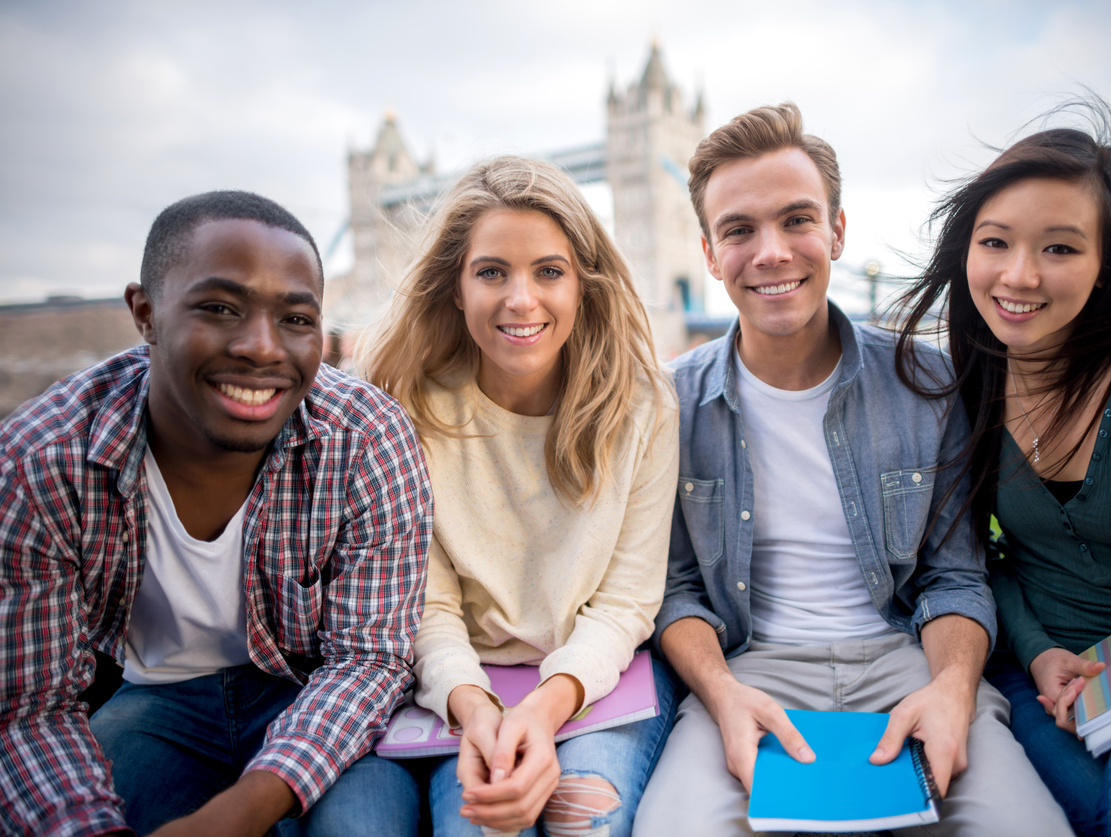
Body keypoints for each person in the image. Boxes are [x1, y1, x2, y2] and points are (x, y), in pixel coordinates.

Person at [632, 103, 1070, 836]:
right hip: (746, 669)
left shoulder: (929, 383)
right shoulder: (668, 403)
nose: (771, 252)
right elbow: (674, 588)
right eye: (739, 230)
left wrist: (956, 688)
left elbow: (955, 575)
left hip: (909, 657)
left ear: (837, 230)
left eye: (797, 220)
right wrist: (721, 693)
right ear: (709, 254)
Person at [0, 191, 432, 837]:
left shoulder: (367, 436)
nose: (261, 347)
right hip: (155, 701)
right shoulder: (42, 461)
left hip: (311, 687)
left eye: (294, 318)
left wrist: (238, 813)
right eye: (219, 308)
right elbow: (29, 709)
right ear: (145, 314)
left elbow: (368, 659)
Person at [893, 111, 1111, 835]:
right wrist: (1036, 651)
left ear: (1110, 261)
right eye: (995, 242)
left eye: (1059, 247)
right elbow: (974, 556)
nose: (1018, 275)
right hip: (1041, 672)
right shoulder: (972, 378)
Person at [338, 156, 680, 837]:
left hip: (595, 679)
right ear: (457, 287)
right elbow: (427, 604)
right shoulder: (407, 405)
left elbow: (625, 603)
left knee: (585, 820)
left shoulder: (642, 405)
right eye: (492, 271)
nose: (520, 299)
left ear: (583, 284)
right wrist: (477, 709)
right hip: (454, 683)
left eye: (548, 271)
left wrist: (542, 712)